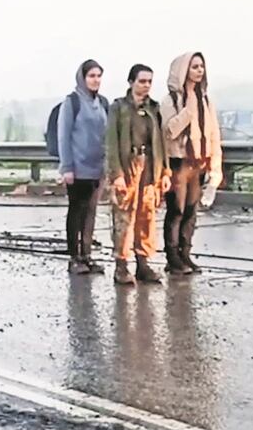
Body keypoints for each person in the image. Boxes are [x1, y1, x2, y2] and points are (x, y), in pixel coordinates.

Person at [106, 65, 172, 285]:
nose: (146, 85)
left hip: (150, 165)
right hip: (128, 164)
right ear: (131, 82)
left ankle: (143, 262)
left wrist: (164, 172)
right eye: (142, 81)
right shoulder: (119, 108)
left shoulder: (154, 108)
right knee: (124, 215)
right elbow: (111, 142)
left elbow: (161, 142)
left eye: (149, 82)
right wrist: (116, 173)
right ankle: (122, 264)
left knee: (147, 215)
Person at [161, 52, 223, 275]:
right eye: (194, 66)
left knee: (190, 211)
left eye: (201, 66)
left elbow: (214, 133)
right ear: (183, 70)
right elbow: (169, 131)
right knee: (175, 210)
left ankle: (185, 253)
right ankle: (173, 257)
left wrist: (215, 168)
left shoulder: (206, 99)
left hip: (198, 162)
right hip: (178, 162)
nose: (199, 71)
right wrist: (188, 109)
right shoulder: (171, 100)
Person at [58, 59, 109, 275]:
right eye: (91, 76)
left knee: (91, 212)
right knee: (76, 212)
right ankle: (74, 257)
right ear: (82, 77)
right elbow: (64, 135)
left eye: (98, 76)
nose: (95, 80)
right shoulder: (72, 102)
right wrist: (66, 167)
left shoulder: (103, 103)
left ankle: (87, 254)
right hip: (77, 168)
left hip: (97, 168)